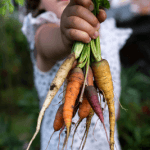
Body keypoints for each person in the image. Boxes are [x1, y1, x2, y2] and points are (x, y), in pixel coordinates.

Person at [21, 0, 132, 150]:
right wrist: (65, 35)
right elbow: (53, 42)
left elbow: (112, 108)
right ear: (37, 3)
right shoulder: (43, 29)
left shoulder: (108, 33)